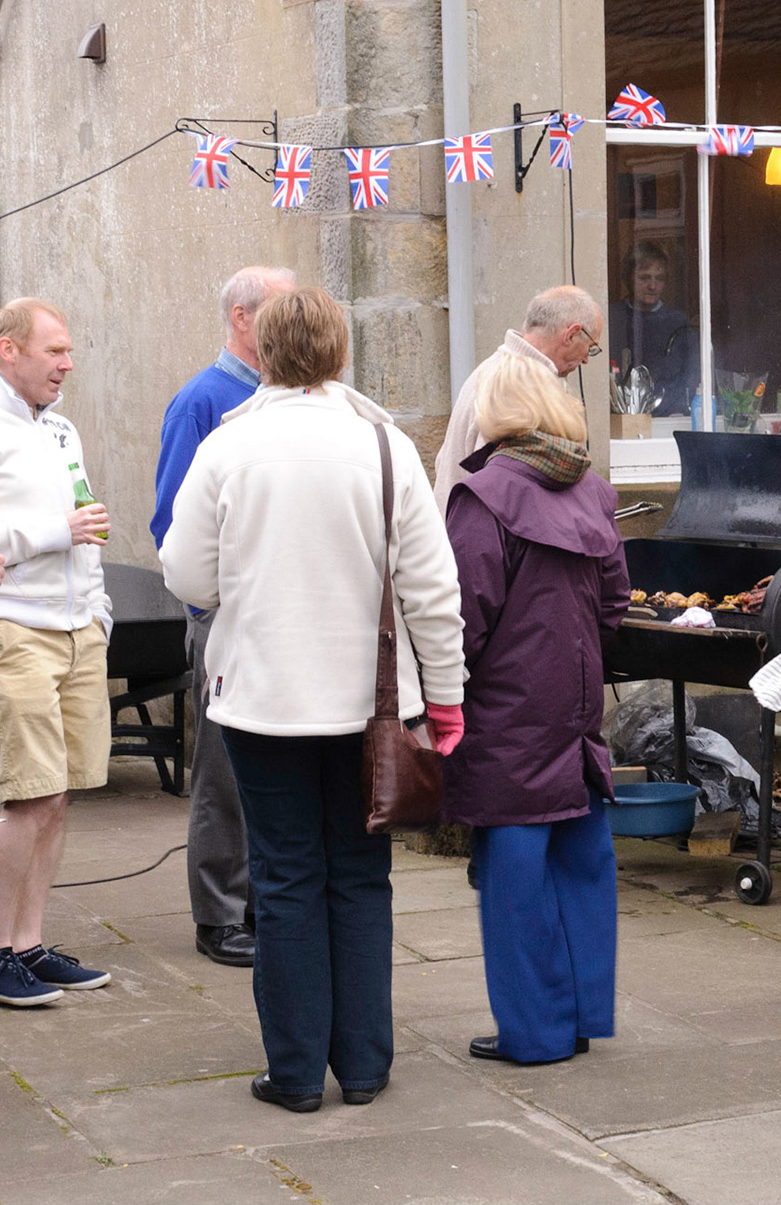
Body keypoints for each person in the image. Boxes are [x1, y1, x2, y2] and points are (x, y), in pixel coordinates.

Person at [162, 287, 466, 1112]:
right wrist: (446, 698)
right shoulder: (383, 446)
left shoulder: (230, 447)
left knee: (285, 877)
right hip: (369, 701)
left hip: (260, 699)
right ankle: (364, 1067)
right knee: (362, 877)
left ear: (261, 347)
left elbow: (186, 575)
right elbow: (433, 591)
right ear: (339, 352)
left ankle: (295, 1076)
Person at [444, 351, 631, 1065]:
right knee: (583, 863)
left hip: (504, 707)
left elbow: (463, 615)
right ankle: (580, 1017)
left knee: (515, 877)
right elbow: (614, 602)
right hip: (575, 703)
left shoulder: (485, 496)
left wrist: (440, 697)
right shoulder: (591, 491)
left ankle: (537, 1032)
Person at [0, 299, 114, 1008]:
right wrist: (55, 531)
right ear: (7, 351)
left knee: (60, 798)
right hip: (15, 626)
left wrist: (100, 614)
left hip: (78, 627)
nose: (68, 364)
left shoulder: (60, 428)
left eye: (70, 349)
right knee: (30, 796)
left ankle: (29, 944)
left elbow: (89, 525)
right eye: (54, 351)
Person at [151, 265, 297, 969]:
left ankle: (264, 902)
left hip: (281, 618)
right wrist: (212, 609)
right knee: (223, 773)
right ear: (243, 319)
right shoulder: (201, 403)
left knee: (269, 769)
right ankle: (219, 914)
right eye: (280, 307)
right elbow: (172, 523)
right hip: (225, 619)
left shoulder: (284, 402)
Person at [434, 285, 599, 508]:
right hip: (480, 536)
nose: (586, 360)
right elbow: (498, 490)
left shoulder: (494, 370)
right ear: (571, 334)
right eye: (590, 348)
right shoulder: (513, 387)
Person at [607, 241, 695, 417]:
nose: (653, 286)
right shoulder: (612, 317)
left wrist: (679, 410)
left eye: (659, 279)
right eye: (644, 278)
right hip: (622, 422)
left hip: (670, 420)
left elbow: (692, 375)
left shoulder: (678, 322)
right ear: (628, 278)